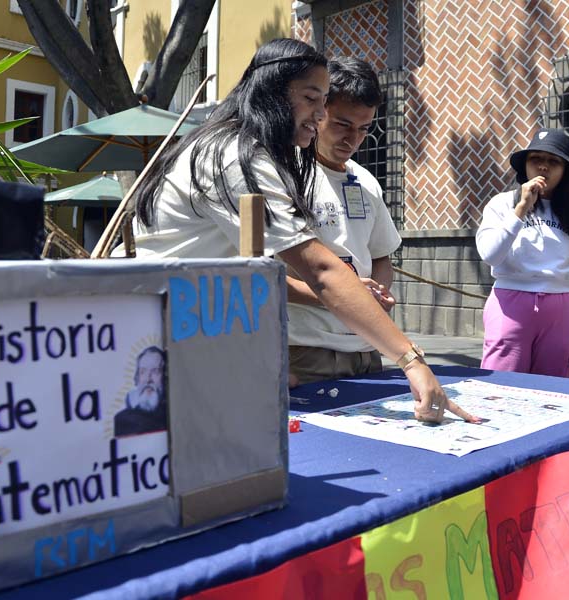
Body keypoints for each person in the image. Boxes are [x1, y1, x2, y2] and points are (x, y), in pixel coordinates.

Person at [131, 39, 476, 424]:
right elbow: (321, 271)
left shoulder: (253, 153)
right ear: (273, 93)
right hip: (168, 341)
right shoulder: (234, 156)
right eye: (313, 99)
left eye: (325, 100)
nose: (321, 113)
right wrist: (411, 360)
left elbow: (251, 273)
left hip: (204, 339)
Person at [283, 56, 401, 385]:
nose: (353, 140)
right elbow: (265, 275)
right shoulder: (281, 174)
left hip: (367, 348)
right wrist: (343, 295)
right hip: (306, 349)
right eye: (342, 125)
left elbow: (381, 255)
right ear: (319, 112)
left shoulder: (365, 180)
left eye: (364, 129)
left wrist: (377, 291)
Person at [475, 128, 569, 377]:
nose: (543, 167)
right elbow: (490, 254)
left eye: (553, 162)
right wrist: (521, 209)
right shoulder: (502, 204)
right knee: (500, 385)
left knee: (554, 390)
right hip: (510, 303)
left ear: (565, 171)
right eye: (536, 159)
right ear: (525, 165)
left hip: (563, 307)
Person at [115, 346, 167, 436]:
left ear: (165, 378)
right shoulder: (122, 421)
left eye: (155, 371)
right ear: (137, 378)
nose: (148, 379)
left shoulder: (173, 415)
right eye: (143, 372)